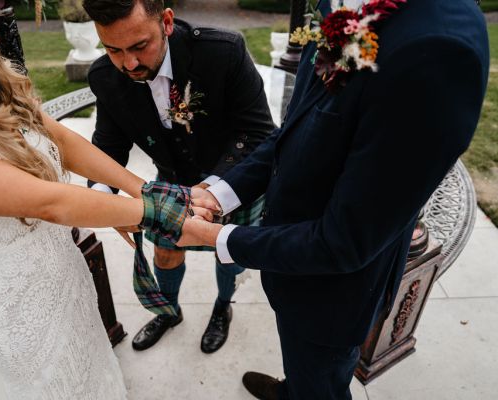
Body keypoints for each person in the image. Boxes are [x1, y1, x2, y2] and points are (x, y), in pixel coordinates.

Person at [180, 0, 490, 398]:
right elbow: (298, 128)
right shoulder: (345, 4)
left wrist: (217, 238)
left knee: (322, 381)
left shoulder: (437, 53)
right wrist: (220, 193)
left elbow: (345, 241)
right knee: (302, 370)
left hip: (331, 298)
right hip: (292, 268)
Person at [0, 1, 207, 398]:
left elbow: (60, 140)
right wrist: (158, 212)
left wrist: (139, 188)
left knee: (94, 371)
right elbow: (49, 202)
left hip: (60, 273)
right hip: (11, 310)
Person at [82, 0, 275, 353]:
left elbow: (259, 132)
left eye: (140, 46)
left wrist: (212, 190)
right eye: (113, 49)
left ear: (167, 22)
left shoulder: (223, 51)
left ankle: (222, 308)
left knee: (228, 256)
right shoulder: (105, 78)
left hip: (237, 180)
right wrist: (103, 200)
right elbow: (108, 146)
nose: (129, 63)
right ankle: (168, 311)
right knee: (166, 254)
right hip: (171, 179)